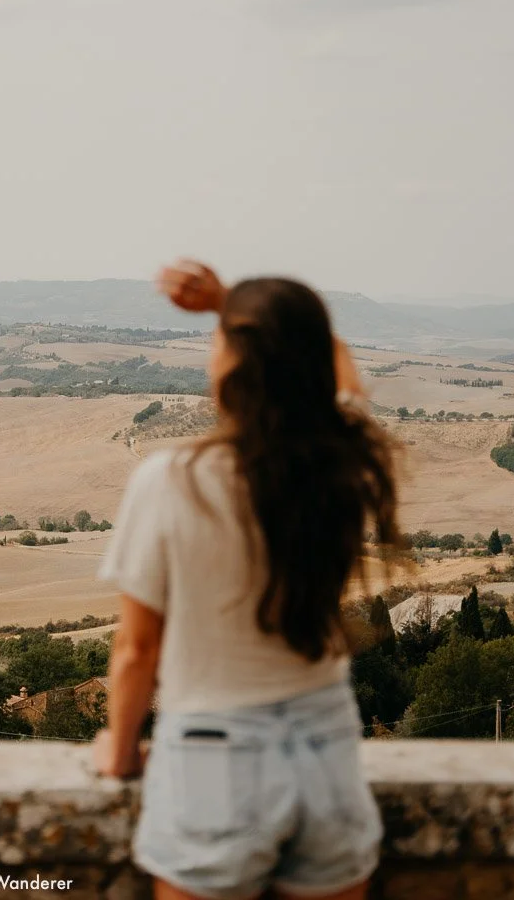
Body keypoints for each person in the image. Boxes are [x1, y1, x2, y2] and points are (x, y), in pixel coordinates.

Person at [93, 260, 402, 900]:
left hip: (213, 757)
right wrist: (234, 304)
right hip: (326, 748)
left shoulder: (171, 480)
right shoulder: (340, 462)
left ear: (233, 365)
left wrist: (120, 754)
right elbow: (337, 362)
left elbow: (137, 650)